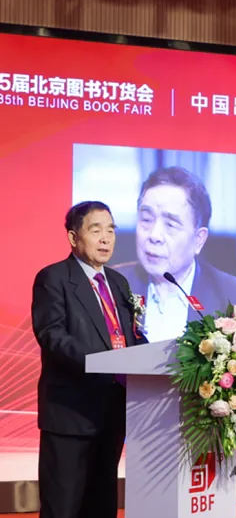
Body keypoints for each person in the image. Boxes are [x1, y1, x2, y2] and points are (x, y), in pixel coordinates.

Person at [31, 201, 148, 518]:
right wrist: (103, 361)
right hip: (71, 415)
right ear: (73, 237)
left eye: (111, 230)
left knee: (102, 506)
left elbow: (131, 336)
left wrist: (152, 356)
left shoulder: (119, 283)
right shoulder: (54, 278)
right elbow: (51, 335)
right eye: (96, 230)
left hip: (112, 412)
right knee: (63, 508)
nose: (105, 238)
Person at [115, 166, 236, 343]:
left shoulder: (235, 298)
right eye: (146, 219)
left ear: (199, 240)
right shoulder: (109, 288)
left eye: (170, 225)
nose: (154, 235)